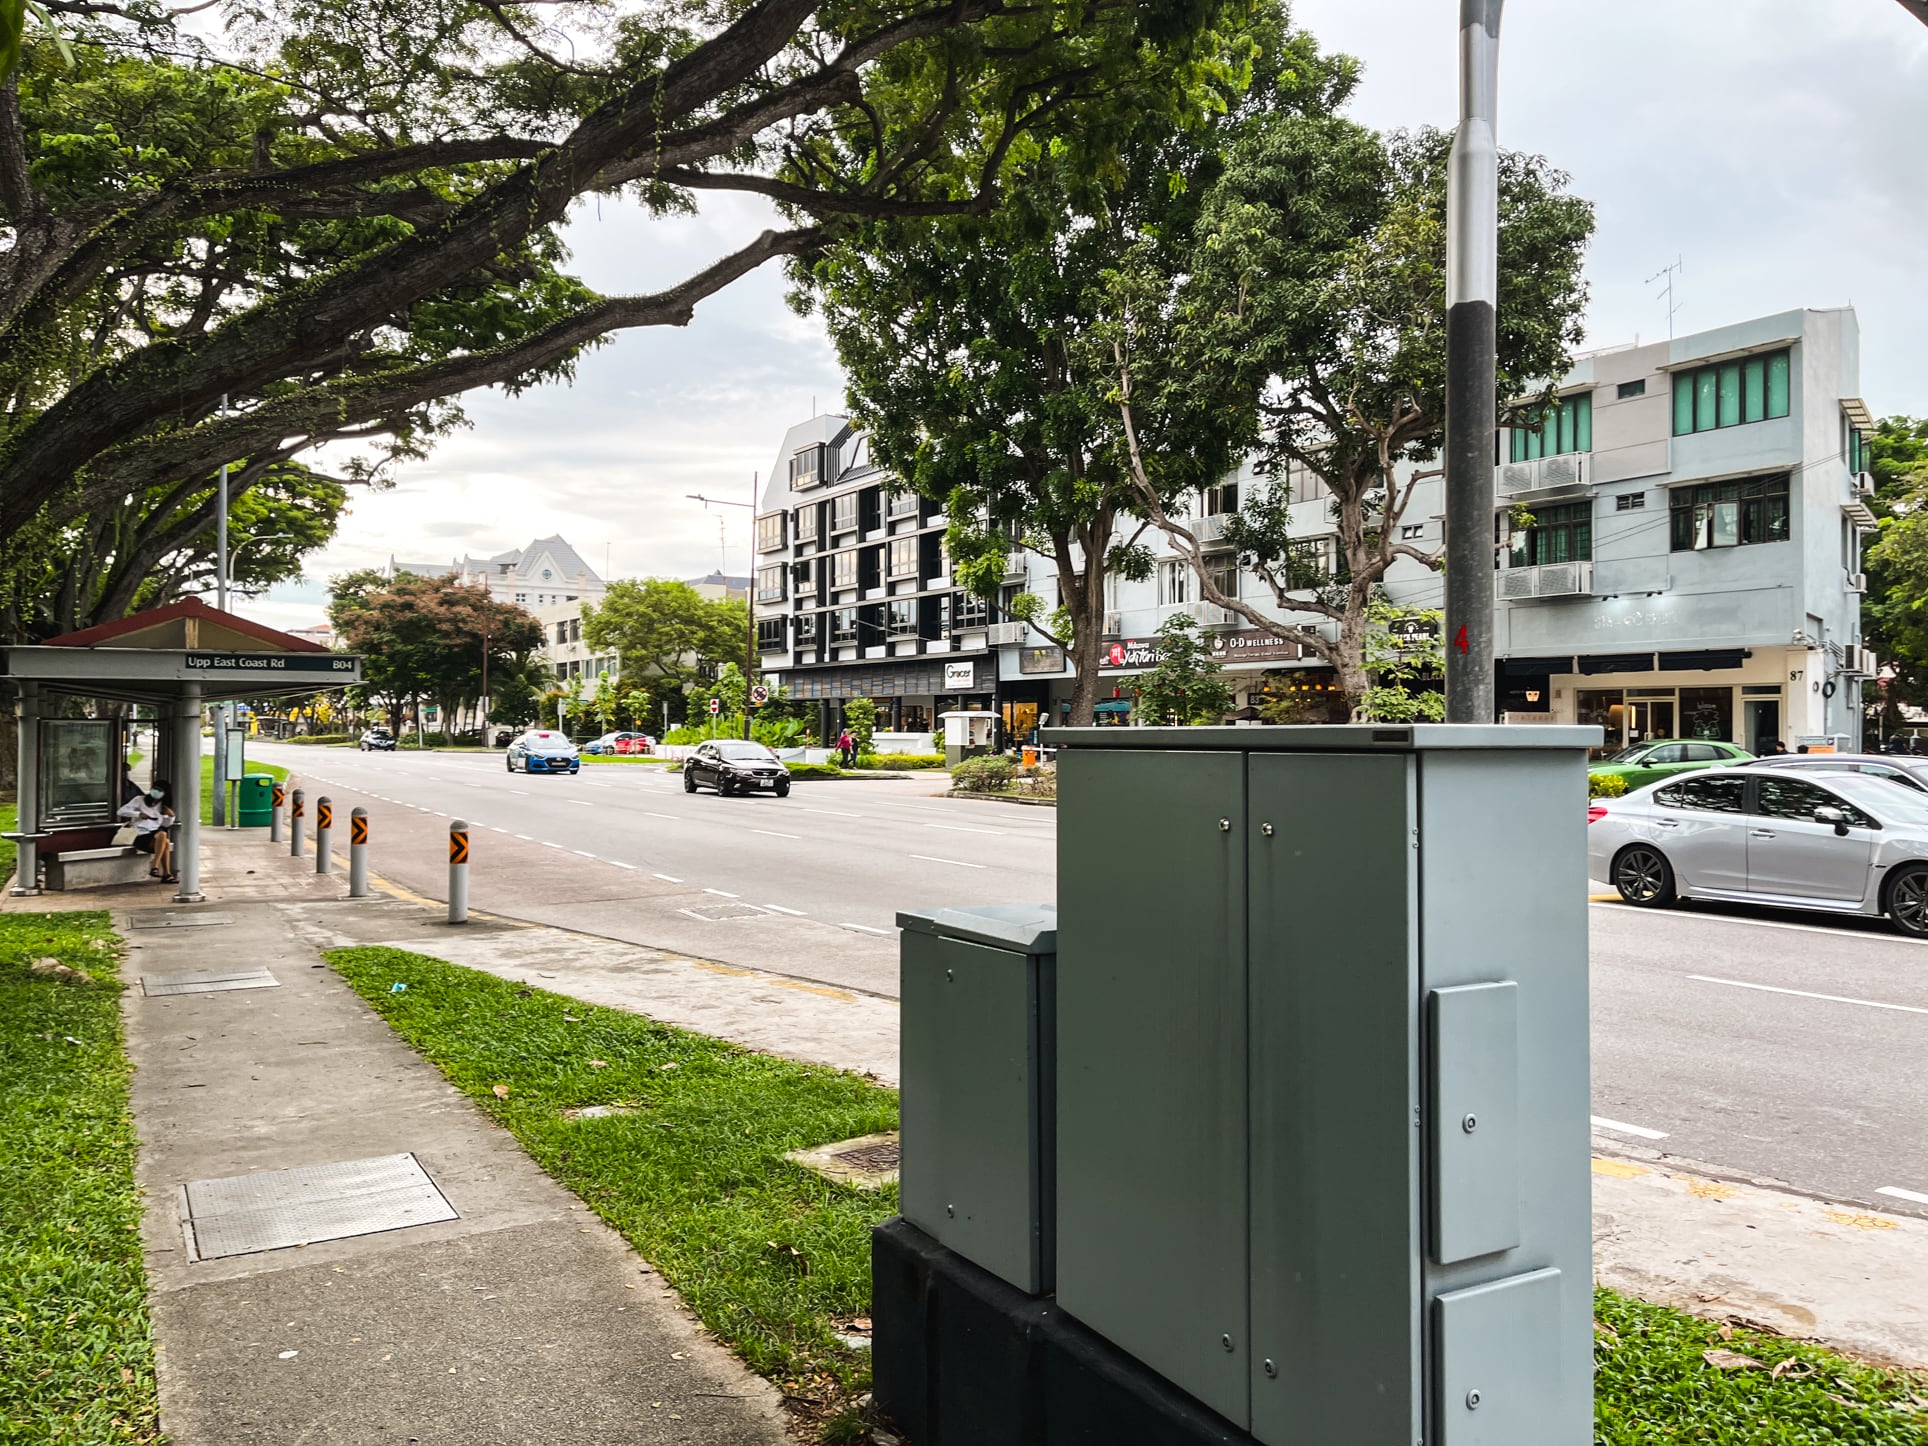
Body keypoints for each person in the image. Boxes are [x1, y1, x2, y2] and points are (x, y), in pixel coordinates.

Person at [118, 786, 177, 882]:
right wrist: (138, 814)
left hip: (154, 833)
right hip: (140, 833)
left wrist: (171, 817)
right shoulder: (139, 800)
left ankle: (157, 869)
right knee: (165, 841)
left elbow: (165, 824)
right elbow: (120, 812)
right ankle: (161, 870)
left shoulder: (163, 806)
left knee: (163, 837)